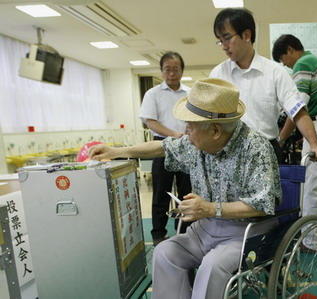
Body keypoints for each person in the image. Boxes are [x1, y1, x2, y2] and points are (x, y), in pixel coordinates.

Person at [90, 78, 281, 299]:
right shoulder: (195, 143)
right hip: (205, 229)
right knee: (165, 252)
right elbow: (161, 146)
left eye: (190, 126)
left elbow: (262, 205)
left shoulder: (255, 148)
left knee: (212, 265)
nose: (185, 131)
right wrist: (115, 151)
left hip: (248, 232)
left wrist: (210, 209)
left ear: (216, 131)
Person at [210, 8, 317, 163]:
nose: (224, 46)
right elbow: (207, 115)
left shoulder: (275, 72)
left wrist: (314, 144)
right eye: (220, 40)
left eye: (227, 38)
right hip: (228, 152)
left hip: (265, 152)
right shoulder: (218, 74)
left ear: (246, 35)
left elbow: (297, 110)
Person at [272, 34, 317, 251]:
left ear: (290, 50)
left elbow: (297, 108)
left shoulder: (303, 64)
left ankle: (311, 242)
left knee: (312, 188)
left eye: (283, 59)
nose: (285, 64)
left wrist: (281, 138)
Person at [139, 51, 192, 245]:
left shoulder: (190, 93)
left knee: (186, 194)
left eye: (176, 69)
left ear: (181, 71)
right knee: (161, 193)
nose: (172, 73)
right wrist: (175, 134)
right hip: (161, 147)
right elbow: (150, 122)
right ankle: (158, 235)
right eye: (167, 69)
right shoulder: (153, 94)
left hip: (187, 149)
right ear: (161, 71)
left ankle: (186, 232)